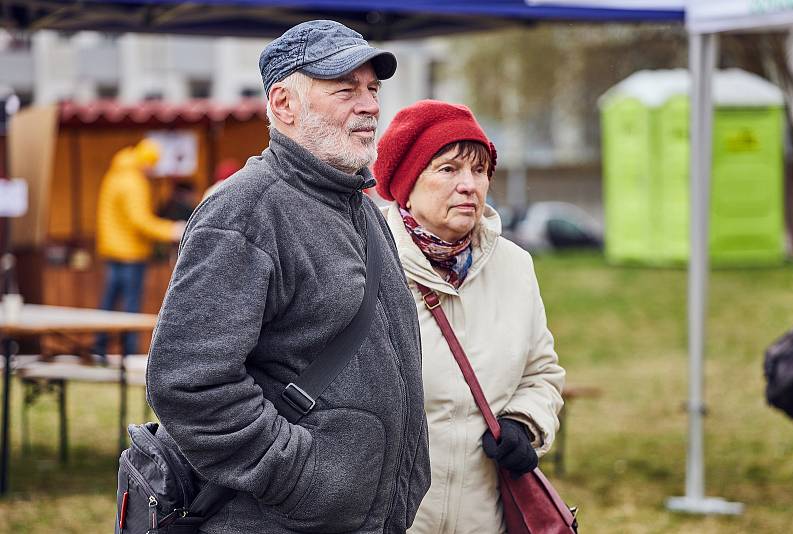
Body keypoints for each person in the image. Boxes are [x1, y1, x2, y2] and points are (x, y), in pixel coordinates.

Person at [146, 20, 430, 534]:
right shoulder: (243, 212)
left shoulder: (360, 209)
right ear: (283, 105)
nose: (368, 106)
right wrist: (302, 476)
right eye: (345, 90)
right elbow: (188, 384)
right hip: (276, 520)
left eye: (372, 90)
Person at [374, 100, 566, 534]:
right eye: (449, 169)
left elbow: (542, 373)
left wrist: (523, 420)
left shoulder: (514, 265)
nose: (469, 186)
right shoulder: (367, 263)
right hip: (394, 520)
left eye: (479, 171)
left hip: (485, 517)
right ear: (409, 181)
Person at [94, 138, 185, 358]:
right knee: (130, 305)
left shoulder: (116, 173)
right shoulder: (134, 182)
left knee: (108, 303)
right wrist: (172, 230)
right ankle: (130, 352)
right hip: (130, 252)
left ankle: (99, 348)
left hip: (112, 250)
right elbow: (140, 221)